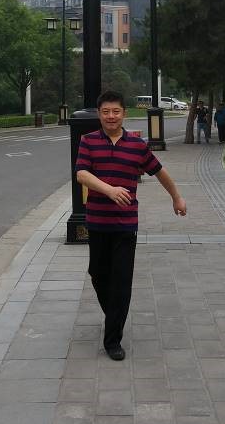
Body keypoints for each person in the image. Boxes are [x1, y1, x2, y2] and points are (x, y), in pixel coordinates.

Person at [76, 90, 187, 360]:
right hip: (98, 222)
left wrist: (176, 197)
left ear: (124, 114)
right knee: (98, 275)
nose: (111, 116)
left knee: (121, 282)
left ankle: (113, 339)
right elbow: (82, 174)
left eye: (116, 111)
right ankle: (114, 314)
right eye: (106, 112)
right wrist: (110, 190)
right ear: (99, 114)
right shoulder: (88, 141)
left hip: (125, 225)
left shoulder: (137, 146)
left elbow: (159, 171)